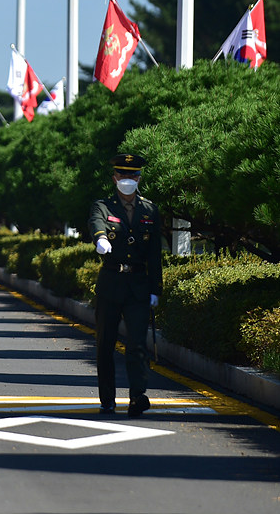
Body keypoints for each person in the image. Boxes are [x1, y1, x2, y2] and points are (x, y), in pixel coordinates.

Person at [89, 153, 163, 417]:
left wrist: (156, 289)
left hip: (139, 286)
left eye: (132, 176)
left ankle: (137, 396)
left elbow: (155, 255)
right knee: (105, 344)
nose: (127, 180)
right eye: (123, 175)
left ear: (139, 178)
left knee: (137, 344)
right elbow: (96, 223)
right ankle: (107, 398)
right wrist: (100, 239)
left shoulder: (150, 210)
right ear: (115, 178)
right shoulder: (104, 206)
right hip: (111, 282)